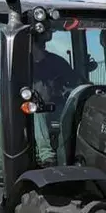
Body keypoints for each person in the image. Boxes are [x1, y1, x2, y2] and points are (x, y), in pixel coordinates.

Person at [31, 31, 84, 165]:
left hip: (58, 105)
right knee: (36, 111)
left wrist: (65, 90)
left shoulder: (56, 62)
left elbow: (76, 82)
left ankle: (71, 153)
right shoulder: (22, 65)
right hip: (34, 108)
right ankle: (47, 155)